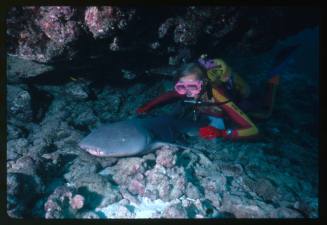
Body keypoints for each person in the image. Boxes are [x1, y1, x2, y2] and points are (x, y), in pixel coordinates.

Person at [136, 56, 279, 140]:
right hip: (208, 103)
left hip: (238, 96)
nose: (188, 93)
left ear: (203, 84)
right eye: (181, 87)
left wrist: (221, 133)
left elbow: (253, 130)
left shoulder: (216, 94)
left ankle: (272, 81)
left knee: (264, 113)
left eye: (193, 87)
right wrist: (148, 106)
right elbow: (169, 95)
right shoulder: (186, 88)